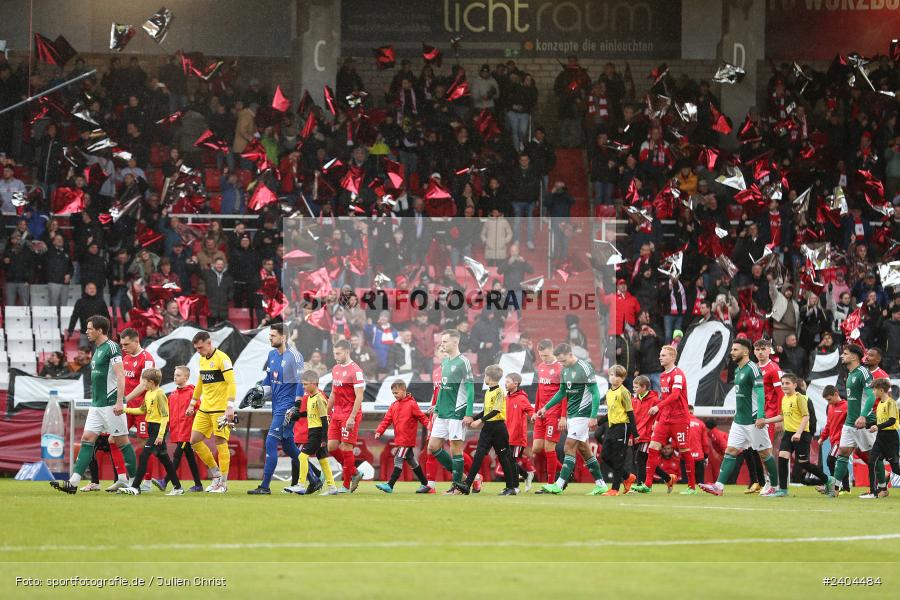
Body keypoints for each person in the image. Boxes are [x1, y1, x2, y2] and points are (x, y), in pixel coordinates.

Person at [51, 316, 138, 494]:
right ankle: (73, 483)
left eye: (90, 328)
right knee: (87, 439)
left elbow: (121, 376)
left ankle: (134, 483)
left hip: (110, 404)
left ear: (99, 330)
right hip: (96, 405)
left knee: (122, 442)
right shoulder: (97, 349)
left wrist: (119, 401)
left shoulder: (112, 347)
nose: (87, 331)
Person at [699, 339, 780, 496]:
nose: (732, 352)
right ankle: (719, 486)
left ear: (745, 352)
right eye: (732, 349)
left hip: (753, 420)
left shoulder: (753, 369)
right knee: (730, 451)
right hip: (739, 420)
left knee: (764, 454)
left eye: (735, 349)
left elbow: (761, 393)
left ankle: (776, 487)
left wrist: (761, 416)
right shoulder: (737, 370)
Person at [534, 343, 608, 495]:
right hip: (572, 414)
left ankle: (559, 485)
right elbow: (561, 392)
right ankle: (601, 484)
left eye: (563, 361)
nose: (561, 364)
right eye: (559, 362)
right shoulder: (564, 369)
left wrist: (593, 416)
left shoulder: (584, 367)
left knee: (568, 446)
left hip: (583, 413)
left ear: (570, 354)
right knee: (584, 449)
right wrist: (545, 408)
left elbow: (594, 393)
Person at [247, 324, 312, 495]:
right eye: (270, 335)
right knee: (289, 446)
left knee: (270, 442)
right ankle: (314, 478)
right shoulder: (271, 354)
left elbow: (300, 382)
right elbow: (269, 378)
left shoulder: (295, 356)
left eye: (273, 335)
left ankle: (265, 486)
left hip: (287, 407)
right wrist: (260, 390)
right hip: (276, 405)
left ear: (283, 337)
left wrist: (297, 405)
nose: (270, 338)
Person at [633, 345, 697, 494]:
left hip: (680, 419)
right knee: (652, 448)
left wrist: (657, 407)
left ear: (672, 357)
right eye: (660, 355)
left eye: (664, 355)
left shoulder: (678, 374)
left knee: (684, 451)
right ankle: (647, 485)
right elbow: (666, 398)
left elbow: (675, 396)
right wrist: (658, 419)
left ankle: (692, 486)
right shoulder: (662, 376)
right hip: (665, 419)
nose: (660, 357)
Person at [762, 373, 835, 498]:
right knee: (782, 457)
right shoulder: (784, 399)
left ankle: (828, 480)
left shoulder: (800, 398)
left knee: (803, 463)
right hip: (789, 433)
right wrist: (765, 421)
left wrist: (799, 433)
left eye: (787, 383)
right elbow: (782, 416)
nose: (784, 386)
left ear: (795, 385)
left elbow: (806, 416)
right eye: (783, 383)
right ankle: (783, 490)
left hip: (802, 434)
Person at [118, 369, 183, 495]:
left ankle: (135, 487)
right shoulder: (148, 394)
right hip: (151, 427)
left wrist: (160, 435)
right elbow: (142, 410)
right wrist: (125, 410)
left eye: (144, 381)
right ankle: (178, 487)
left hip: (158, 429)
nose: (142, 383)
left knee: (144, 455)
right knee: (164, 459)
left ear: (151, 382)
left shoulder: (160, 394)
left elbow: (165, 416)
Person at [186, 331, 236, 493]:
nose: (198, 351)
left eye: (200, 347)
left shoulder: (223, 358)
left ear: (209, 343)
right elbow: (201, 382)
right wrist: (192, 403)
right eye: (196, 348)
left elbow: (231, 383)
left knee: (221, 443)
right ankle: (216, 474)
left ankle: (223, 483)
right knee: (194, 440)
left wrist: (230, 406)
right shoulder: (202, 359)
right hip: (204, 408)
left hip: (220, 409)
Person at [457, 365, 519, 496]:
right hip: (487, 429)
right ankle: (467, 484)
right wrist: (473, 418)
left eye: (485, 376)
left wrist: (480, 421)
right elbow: (486, 410)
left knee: (503, 457)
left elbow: (496, 410)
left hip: (498, 428)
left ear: (489, 377)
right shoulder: (488, 391)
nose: (484, 378)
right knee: (478, 455)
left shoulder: (499, 392)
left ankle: (511, 487)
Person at [428, 329, 475, 495]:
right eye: (442, 341)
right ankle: (467, 480)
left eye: (445, 341)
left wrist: (469, 413)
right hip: (443, 412)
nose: (442, 344)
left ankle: (457, 487)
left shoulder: (463, 362)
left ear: (455, 342)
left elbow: (470, 389)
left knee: (456, 449)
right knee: (433, 447)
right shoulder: (445, 362)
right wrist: (437, 408)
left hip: (457, 411)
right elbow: (442, 388)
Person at [828, 344, 879, 497]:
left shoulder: (863, 372)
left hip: (864, 422)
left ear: (855, 356)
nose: (842, 356)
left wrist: (863, 416)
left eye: (845, 353)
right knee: (843, 453)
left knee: (872, 457)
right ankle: (835, 489)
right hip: (850, 423)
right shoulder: (850, 374)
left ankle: (880, 489)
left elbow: (871, 396)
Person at [288, 370, 339, 496]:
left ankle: (300, 485)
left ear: (313, 383)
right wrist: (298, 415)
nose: (303, 387)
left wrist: (323, 439)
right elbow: (310, 413)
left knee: (301, 456)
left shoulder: (319, 398)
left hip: (317, 432)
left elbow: (324, 419)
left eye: (305, 384)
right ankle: (332, 487)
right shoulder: (311, 397)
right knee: (323, 461)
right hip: (313, 431)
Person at [374, 380, 430, 493]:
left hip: (407, 440)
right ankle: (426, 484)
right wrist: (379, 430)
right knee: (412, 462)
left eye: (396, 393)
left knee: (398, 458)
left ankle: (390, 485)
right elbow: (386, 420)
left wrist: (431, 427)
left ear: (404, 391)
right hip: (400, 439)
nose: (395, 395)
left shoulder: (412, 404)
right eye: (393, 393)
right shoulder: (393, 405)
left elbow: (422, 417)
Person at [120, 328, 158, 492]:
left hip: (143, 408)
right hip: (126, 407)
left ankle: (147, 483)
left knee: (144, 444)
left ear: (137, 341)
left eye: (126, 344)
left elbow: (144, 385)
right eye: (121, 344)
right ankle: (124, 479)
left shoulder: (147, 359)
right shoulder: (126, 358)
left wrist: (124, 400)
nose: (123, 347)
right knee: (113, 440)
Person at [327, 339, 365, 493]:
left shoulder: (356, 370)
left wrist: (352, 417)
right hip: (337, 413)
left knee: (346, 447)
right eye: (334, 353)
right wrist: (327, 410)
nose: (336, 356)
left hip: (350, 414)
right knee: (331, 447)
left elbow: (359, 397)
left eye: (338, 353)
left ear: (347, 352)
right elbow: (333, 392)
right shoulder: (335, 369)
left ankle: (345, 485)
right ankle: (355, 472)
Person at [157, 366, 202, 492]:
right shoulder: (173, 395)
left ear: (186, 378)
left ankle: (165, 481)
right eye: (175, 374)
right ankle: (198, 485)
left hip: (187, 432)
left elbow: (199, 410)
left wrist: (193, 412)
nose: (175, 377)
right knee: (190, 458)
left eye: (178, 375)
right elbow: (169, 414)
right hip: (177, 432)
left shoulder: (192, 393)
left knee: (177, 455)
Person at [598, 365, 639, 496]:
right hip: (612, 427)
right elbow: (610, 413)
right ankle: (628, 477)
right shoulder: (609, 393)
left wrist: (635, 433)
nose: (613, 378)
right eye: (611, 375)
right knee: (604, 456)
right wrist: (598, 423)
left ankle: (615, 489)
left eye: (617, 376)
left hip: (623, 427)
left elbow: (630, 413)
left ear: (623, 379)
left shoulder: (624, 392)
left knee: (618, 459)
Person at [752, 338, 784, 493]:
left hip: (770, 416)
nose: (760, 352)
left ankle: (772, 484)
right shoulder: (754, 368)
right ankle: (767, 482)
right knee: (760, 451)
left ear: (769, 350)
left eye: (763, 349)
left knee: (767, 451)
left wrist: (780, 417)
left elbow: (780, 394)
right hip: (757, 415)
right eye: (757, 349)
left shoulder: (774, 369)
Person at [532, 339, 563, 490]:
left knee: (549, 448)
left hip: (554, 413)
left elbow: (564, 394)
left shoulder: (560, 368)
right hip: (541, 412)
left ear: (552, 350)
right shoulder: (541, 367)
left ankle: (551, 484)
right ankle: (564, 471)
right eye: (541, 356)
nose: (544, 358)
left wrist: (563, 416)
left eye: (546, 355)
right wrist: (535, 411)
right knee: (537, 448)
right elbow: (540, 390)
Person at [863, 378, 900, 499]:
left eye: (874, 389)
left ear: (881, 390)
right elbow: (878, 421)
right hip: (880, 438)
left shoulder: (891, 403)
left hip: (890, 438)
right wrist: (865, 425)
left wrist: (877, 427)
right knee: (872, 461)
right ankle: (875, 492)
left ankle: (879, 490)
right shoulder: (879, 404)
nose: (873, 391)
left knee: (896, 468)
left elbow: (892, 420)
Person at [504, 372, 536, 492]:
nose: (505, 384)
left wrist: (533, 416)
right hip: (506, 436)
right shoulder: (505, 398)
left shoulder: (522, 398)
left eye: (507, 382)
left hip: (518, 437)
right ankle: (527, 475)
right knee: (507, 461)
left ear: (516, 383)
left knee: (511, 461)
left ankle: (515, 487)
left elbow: (530, 410)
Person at [818, 385, 850, 494]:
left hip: (842, 441)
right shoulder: (830, 407)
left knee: (831, 460)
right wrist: (822, 438)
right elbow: (828, 424)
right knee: (839, 462)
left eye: (829, 399)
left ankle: (832, 485)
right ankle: (845, 487)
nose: (828, 402)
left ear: (836, 394)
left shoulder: (847, 406)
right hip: (833, 440)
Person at [687, 406, 710, 485]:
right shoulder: (701, 423)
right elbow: (705, 443)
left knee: (686, 481)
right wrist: (706, 456)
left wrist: (676, 449)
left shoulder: (681, 423)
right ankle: (700, 495)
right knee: (700, 482)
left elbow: (676, 439)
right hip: (699, 456)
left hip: (685, 456)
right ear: (692, 411)